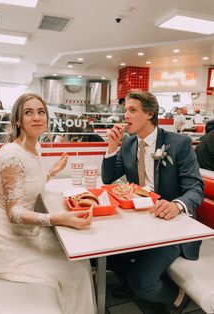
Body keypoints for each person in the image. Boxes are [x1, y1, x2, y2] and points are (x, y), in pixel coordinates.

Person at [0, 93, 96, 314]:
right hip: (8, 243)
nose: (37, 117)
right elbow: (13, 212)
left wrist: (52, 172)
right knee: (75, 269)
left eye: (41, 112)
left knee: (80, 261)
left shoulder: (34, 148)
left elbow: (29, 183)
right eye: (28, 112)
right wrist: (56, 219)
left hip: (27, 233)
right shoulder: (12, 155)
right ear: (17, 120)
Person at [101, 91, 204, 314]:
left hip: (173, 228)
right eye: (125, 110)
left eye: (132, 110)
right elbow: (108, 178)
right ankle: (132, 286)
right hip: (140, 222)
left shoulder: (179, 144)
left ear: (150, 113)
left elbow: (195, 189)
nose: (125, 115)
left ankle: (177, 300)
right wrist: (112, 147)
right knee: (103, 256)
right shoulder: (128, 144)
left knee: (143, 282)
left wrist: (176, 205)